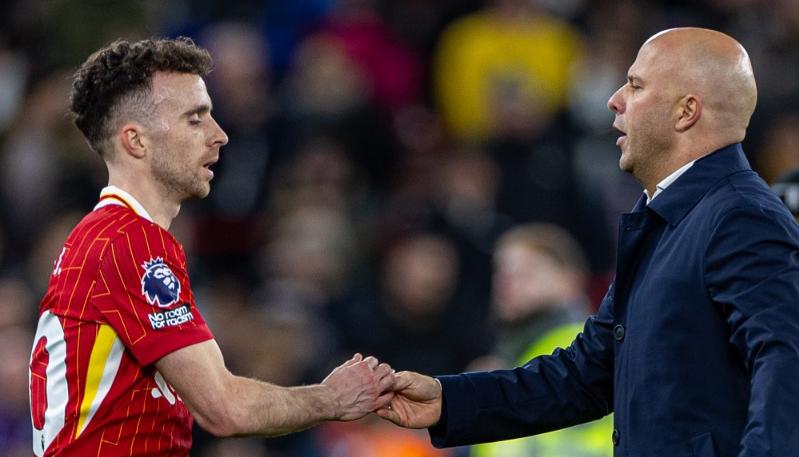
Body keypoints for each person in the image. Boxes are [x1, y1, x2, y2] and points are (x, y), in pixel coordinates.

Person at [377, 27, 799, 456]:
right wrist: (449, 401)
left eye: (635, 85)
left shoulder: (741, 217)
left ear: (686, 111)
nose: (615, 99)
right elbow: (586, 375)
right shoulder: (664, 220)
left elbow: (788, 359)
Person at [27, 37, 395, 457]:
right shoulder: (128, 242)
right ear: (136, 141)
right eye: (195, 119)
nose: (219, 135)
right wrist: (333, 398)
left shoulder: (105, 236)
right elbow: (225, 409)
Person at [469, 223, 612, 457]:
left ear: (570, 280)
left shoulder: (580, 348)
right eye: (502, 272)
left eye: (527, 272)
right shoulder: (506, 356)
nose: (507, 282)